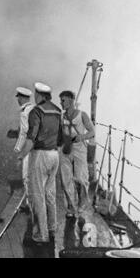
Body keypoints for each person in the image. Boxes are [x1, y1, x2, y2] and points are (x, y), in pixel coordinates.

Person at [18, 82, 62, 244]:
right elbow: (60, 137)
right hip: (54, 155)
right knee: (50, 193)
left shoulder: (36, 112)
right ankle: (51, 228)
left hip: (40, 155)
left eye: (36, 95)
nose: (34, 98)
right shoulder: (57, 110)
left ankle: (40, 235)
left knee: (37, 196)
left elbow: (31, 138)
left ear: (39, 95)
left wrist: (22, 155)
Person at [59, 90, 95, 218]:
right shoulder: (61, 117)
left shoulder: (82, 115)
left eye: (63, 100)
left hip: (79, 149)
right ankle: (70, 206)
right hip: (65, 149)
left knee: (81, 178)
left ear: (70, 100)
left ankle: (82, 204)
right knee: (65, 179)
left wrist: (82, 136)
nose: (61, 103)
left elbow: (92, 132)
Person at [8, 87, 34, 210]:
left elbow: (24, 133)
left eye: (18, 97)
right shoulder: (35, 109)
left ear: (22, 98)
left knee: (26, 176)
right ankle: (33, 202)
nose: (18, 100)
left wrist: (18, 149)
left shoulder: (24, 112)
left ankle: (29, 204)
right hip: (38, 147)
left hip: (29, 147)